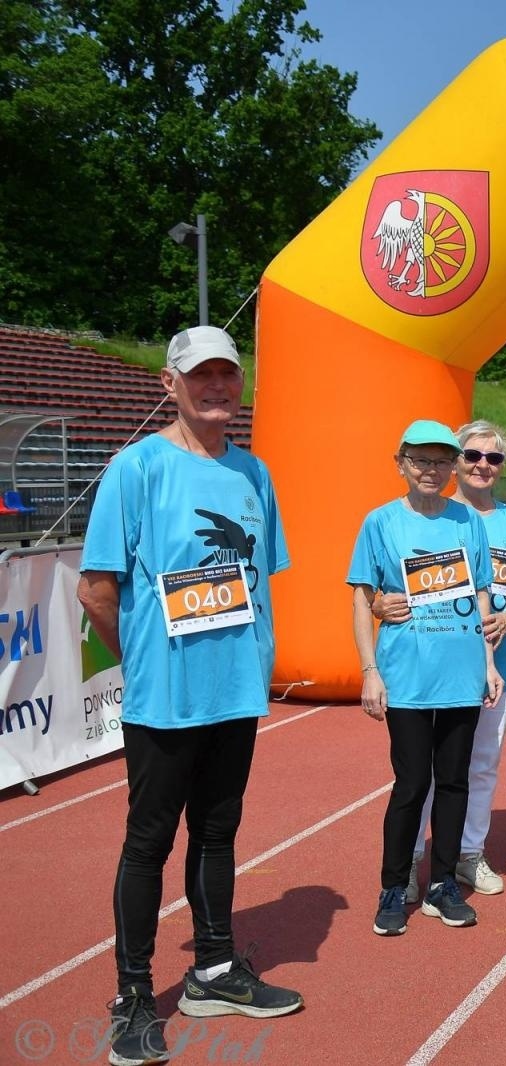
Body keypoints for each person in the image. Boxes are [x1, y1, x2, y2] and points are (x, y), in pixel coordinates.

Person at [79, 325, 303, 1066]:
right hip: (165, 698)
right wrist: (142, 664)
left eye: (227, 376)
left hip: (234, 692)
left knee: (219, 833)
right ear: (168, 385)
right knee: (149, 842)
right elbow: (97, 591)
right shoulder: (135, 469)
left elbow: (258, 579)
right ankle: (134, 995)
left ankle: (213, 969)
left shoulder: (254, 473)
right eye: (199, 376)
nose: (215, 388)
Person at [369, 421, 506, 903]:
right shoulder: (427, 517)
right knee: (421, 773)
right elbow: (375, 589)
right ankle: (415, 860)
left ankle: (467, 854)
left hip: (498, 663)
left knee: (478, 766)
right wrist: (381, 604)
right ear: (455, 463)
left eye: (494, 459)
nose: (483, 465)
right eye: (473, 456)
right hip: (430, 663)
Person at [349, 419, 503, 937]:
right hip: (407, 676)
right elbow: (360, 597)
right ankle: (394, 886)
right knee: (412, 782)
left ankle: (442, 884)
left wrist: (487, 663)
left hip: (461, 674)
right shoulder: (380, 522)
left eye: (441, 461)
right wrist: (369, 670)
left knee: (455, 781)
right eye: (421, 461)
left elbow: (482, 593)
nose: (432, 470)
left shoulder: (466, 522)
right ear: (401, 464)